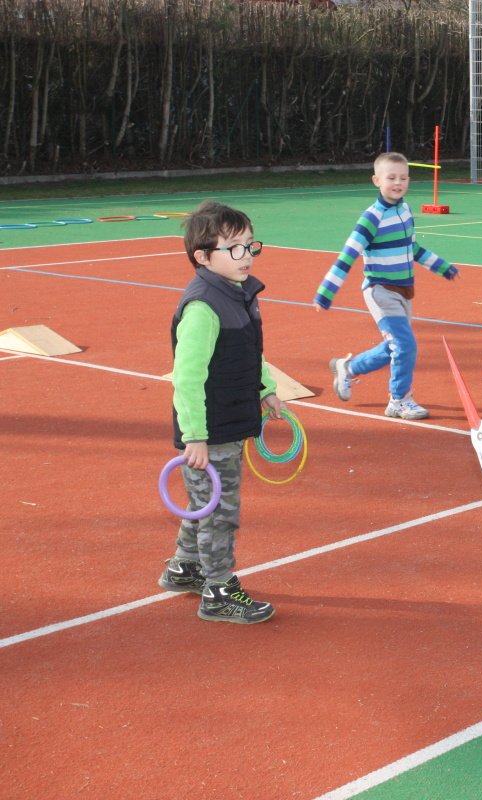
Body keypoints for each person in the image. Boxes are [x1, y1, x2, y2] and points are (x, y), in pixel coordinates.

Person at [159, 201, 280, 624]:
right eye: (235, 248)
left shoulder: (237, 294)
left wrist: (267, 389)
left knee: (204, 503)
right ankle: (219, 590)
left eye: (250, 245)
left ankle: (185, 566)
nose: (247, 255)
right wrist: (195, 436)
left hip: (229, 419)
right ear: (204, 257)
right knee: (219, 510)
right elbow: (186, 378)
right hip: (210, 432)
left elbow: (249, 350)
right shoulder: (203, 308)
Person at [315, 152, 461, 419]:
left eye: (403, 178)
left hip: (404, 290)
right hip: (380, 290)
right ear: (376, 180)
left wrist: (440, 266)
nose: (398, 183)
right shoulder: (371, 218)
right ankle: (399, 400)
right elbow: (348, 255)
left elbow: (412, 247)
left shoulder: (405, 211)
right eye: (391, 178)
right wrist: (326, 291)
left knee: (395, 346)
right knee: (405, 346)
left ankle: (349, 368)